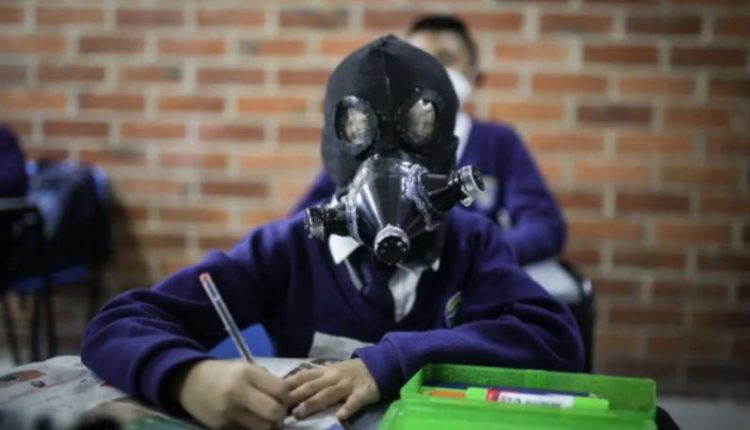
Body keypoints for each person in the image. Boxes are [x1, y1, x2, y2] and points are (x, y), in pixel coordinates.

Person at [81, 36, 583, 430]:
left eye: (419, 129)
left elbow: (555, 339)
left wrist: (390, 363)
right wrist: (188, 379)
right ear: (333, 146)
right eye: (359, 131)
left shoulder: (471, 242)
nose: (388, 165)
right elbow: (118, 323)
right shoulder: (289, 250)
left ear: (449, 151)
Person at [292, 15, 566, 266]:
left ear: (475, 76)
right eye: (419, 60)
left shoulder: (499, 142)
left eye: (447, 59)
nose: (433, 72)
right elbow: (307, 220)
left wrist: (480, 256)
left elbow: (544, 226)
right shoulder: (368, 145)